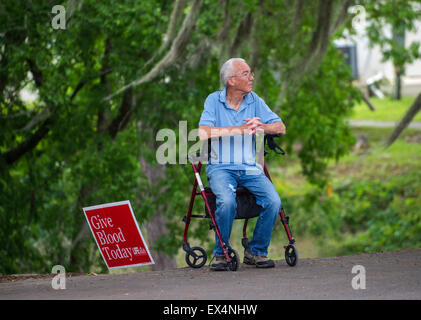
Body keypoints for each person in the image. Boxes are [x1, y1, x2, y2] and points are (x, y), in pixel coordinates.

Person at [198, 58, 286, 271]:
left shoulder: (255, 100)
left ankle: (256, 251)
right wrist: (239, 129)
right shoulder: (213, 101)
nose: (252, 78)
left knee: (274, 202)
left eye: (250, 73)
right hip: (220, 167)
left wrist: (262, 126)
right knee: (227, 201)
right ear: (231, 80)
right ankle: (220, 253)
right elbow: (203, 132)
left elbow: (280, 127)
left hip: (249, 167)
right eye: (246, 74)